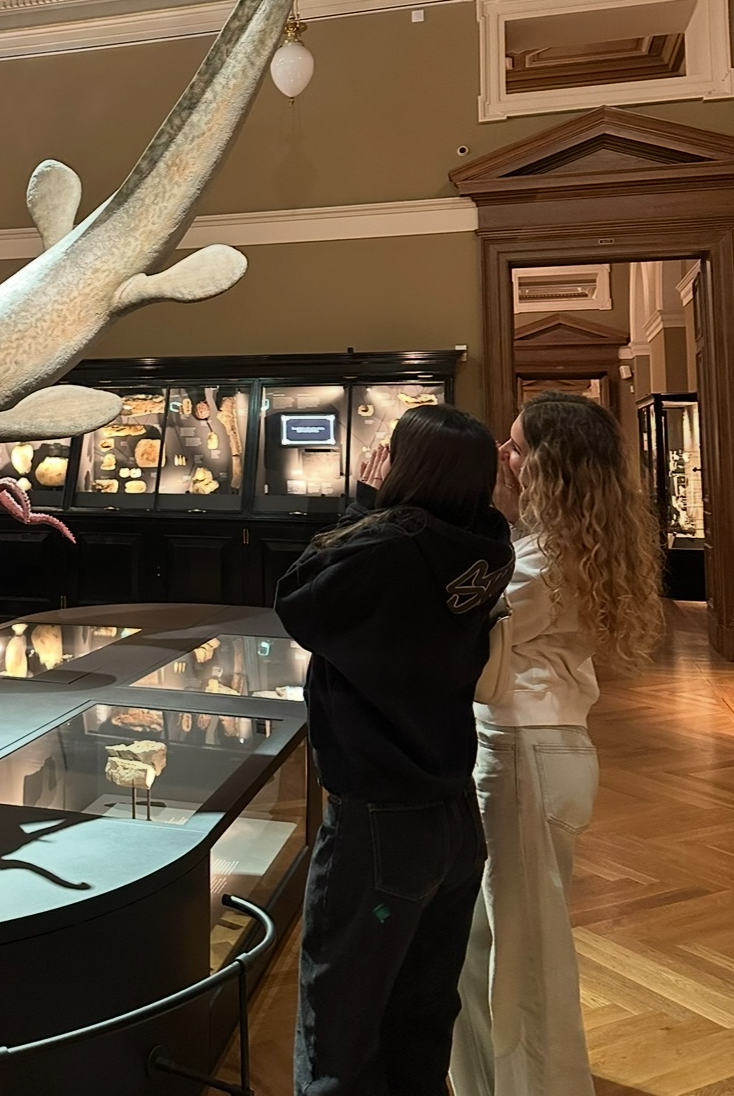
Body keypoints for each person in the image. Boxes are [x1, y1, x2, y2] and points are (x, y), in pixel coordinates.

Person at [276, 406, 514, 1096]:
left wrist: (364, 503)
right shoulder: (488, 544)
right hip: (451, 812)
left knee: (340, 1025)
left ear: (410, 467)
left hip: (379, 822)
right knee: (422, 1012)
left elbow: (298, 598)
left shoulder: (386, 548)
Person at [449, 393, 663, 1096]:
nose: (501, 456)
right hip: (534, 751)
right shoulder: (555, 544)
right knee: (488, 944)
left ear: (549, 466)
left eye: (514, 446)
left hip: (526, 755)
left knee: (523, 959)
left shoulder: (542, 561)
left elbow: (463, 633)